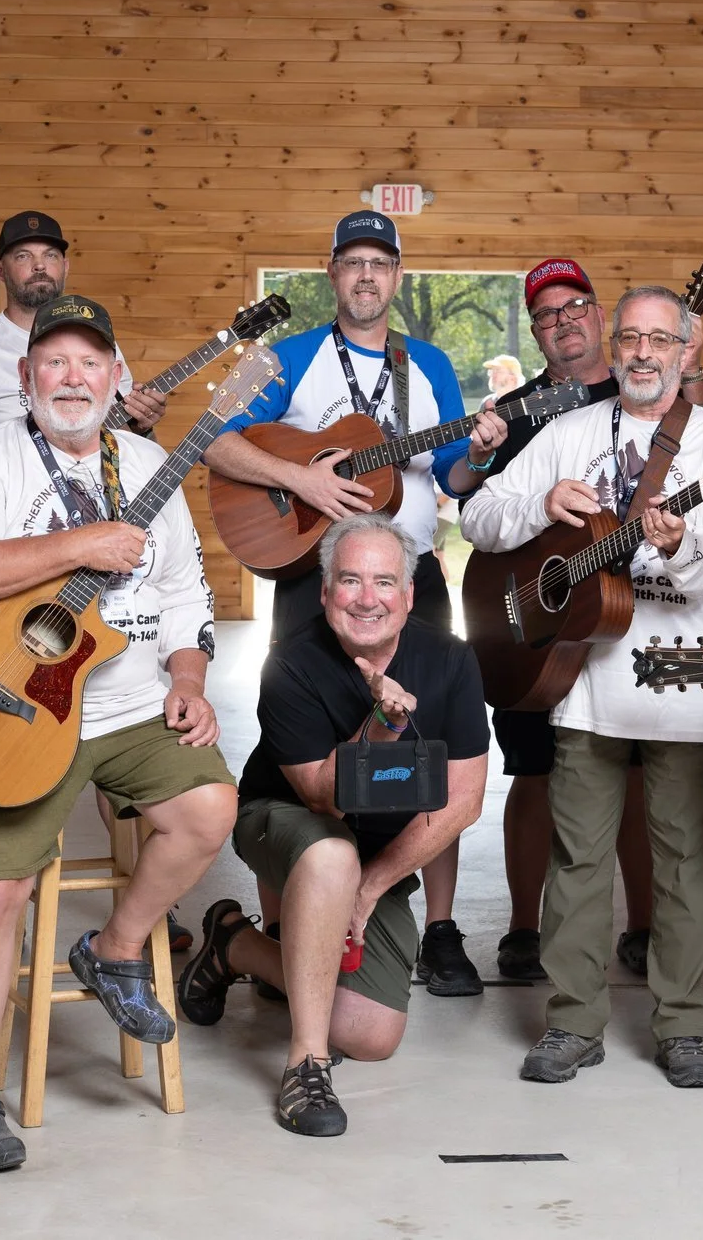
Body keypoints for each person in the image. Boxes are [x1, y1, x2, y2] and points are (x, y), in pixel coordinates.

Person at [0, 294, 237, 1174]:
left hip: (131, 701)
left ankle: (116, 946)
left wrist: (188, 677)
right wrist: (80, 545)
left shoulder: (148, 463)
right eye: (53, 361)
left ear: (116, 378)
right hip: (14, 701)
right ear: (25, 378)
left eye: (90, 363)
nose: (72, 378)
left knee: (211, 806)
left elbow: (188, 595)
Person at [461, 285, 703, 1090]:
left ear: (687, 352)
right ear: (615, 346)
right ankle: (573, 1021)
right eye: (630, 337)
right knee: (579, 856)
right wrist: (541, 504)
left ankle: (684, 1027)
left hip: (686, 682)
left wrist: (683, 540)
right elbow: (480, 516)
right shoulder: (568, 430)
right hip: (582, 682)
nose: (643, 352)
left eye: (662, 339)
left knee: (684, 856)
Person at [205, 210, 499, 995]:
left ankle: (435, 927)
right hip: (315, 575)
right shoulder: (280, 357)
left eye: (381, 263)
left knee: (426, 745)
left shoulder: (428, 363)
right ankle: (284, 923)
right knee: (291, 744)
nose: (367, 276)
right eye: (353, 262)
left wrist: (481, 450)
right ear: (332, 273)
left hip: (410, 580)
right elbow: (213, 439)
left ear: (397, 277)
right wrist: (302, 479)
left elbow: (453, 476)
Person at [176, 514, 490, 1135]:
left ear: (408, 594)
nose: (366, 598)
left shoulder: (451, 660)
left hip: (375, 857)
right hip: (283, 824)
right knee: (332, 857)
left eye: (383, 582)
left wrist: (373, 889)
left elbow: (465, 800)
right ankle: (306, 1066)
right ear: (324, 594)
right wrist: (382, 725)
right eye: (349, 581)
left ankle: (235, 944)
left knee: (371, 1035)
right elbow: (324, 798)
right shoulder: (290, 665)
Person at [469, 258, 654, 986]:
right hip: (537, 620)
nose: (563, 321)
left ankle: (639, 927)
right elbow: (486, 512)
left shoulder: (647, 391)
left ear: (599, 313)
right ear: (536, 331)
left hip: (623, 614)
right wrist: (534, 504)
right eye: (546, 314)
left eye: (575, 306)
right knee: (535, 771)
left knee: (637, 773)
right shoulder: (513, 411)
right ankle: (523, 926)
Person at [0, 210, 162, 457]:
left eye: (50, 255)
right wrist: (2, 444)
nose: (40, 265)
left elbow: (123, 441)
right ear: (0, 271)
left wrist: (141, 427)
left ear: (65, 267)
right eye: (23, 256)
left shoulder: (98, 341)